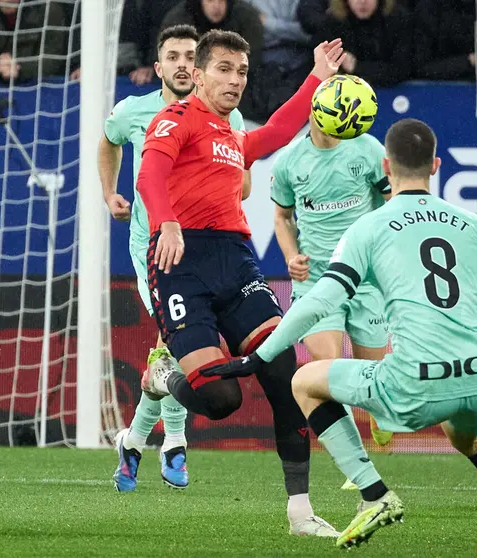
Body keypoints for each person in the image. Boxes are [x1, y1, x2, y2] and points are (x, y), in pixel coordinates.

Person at [200, 119, 477, 554]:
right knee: (472, 439)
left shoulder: (369, 227)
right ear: (435, 165)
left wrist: (261, 355)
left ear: (385, 165)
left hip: (415, 381)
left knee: (304, 382)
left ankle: (374, 494)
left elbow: (321, 301)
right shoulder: (471, 224)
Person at [135, 29, 347, 536]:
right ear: (199, 73)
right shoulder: (176, 118)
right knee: (221, 400)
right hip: (181, 262)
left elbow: (275, 131)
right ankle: (165, 379)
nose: (234, 80)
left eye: (242, 72)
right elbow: (149, 176)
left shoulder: (232, 137)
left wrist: (317, 77)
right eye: (224, 70)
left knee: (284, 377)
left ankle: (300, 513)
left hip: (235, 261)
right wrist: (165, 221)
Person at [101, 24, 249, 493]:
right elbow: (108, 140)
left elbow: (242, 180)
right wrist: (110, 192)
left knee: (170, 356)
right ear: (158, 66)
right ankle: (176, 443)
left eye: (191, 55)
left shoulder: (230, 116)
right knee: (177, 350)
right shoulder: (134, 111)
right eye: (174, 56)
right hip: (155, 250)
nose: (183, 63)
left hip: (205, 249)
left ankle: (133, 441)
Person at [271, 110, 395, 485]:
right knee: (327, 369)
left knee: (371, 372)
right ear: (313, 110)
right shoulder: (289, 161)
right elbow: (281, 216)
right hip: (318, 282)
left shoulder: (368, 149)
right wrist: (292, 256)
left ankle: (378, 409)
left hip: (367, 278)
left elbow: (393, 200)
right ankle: (358, 464)